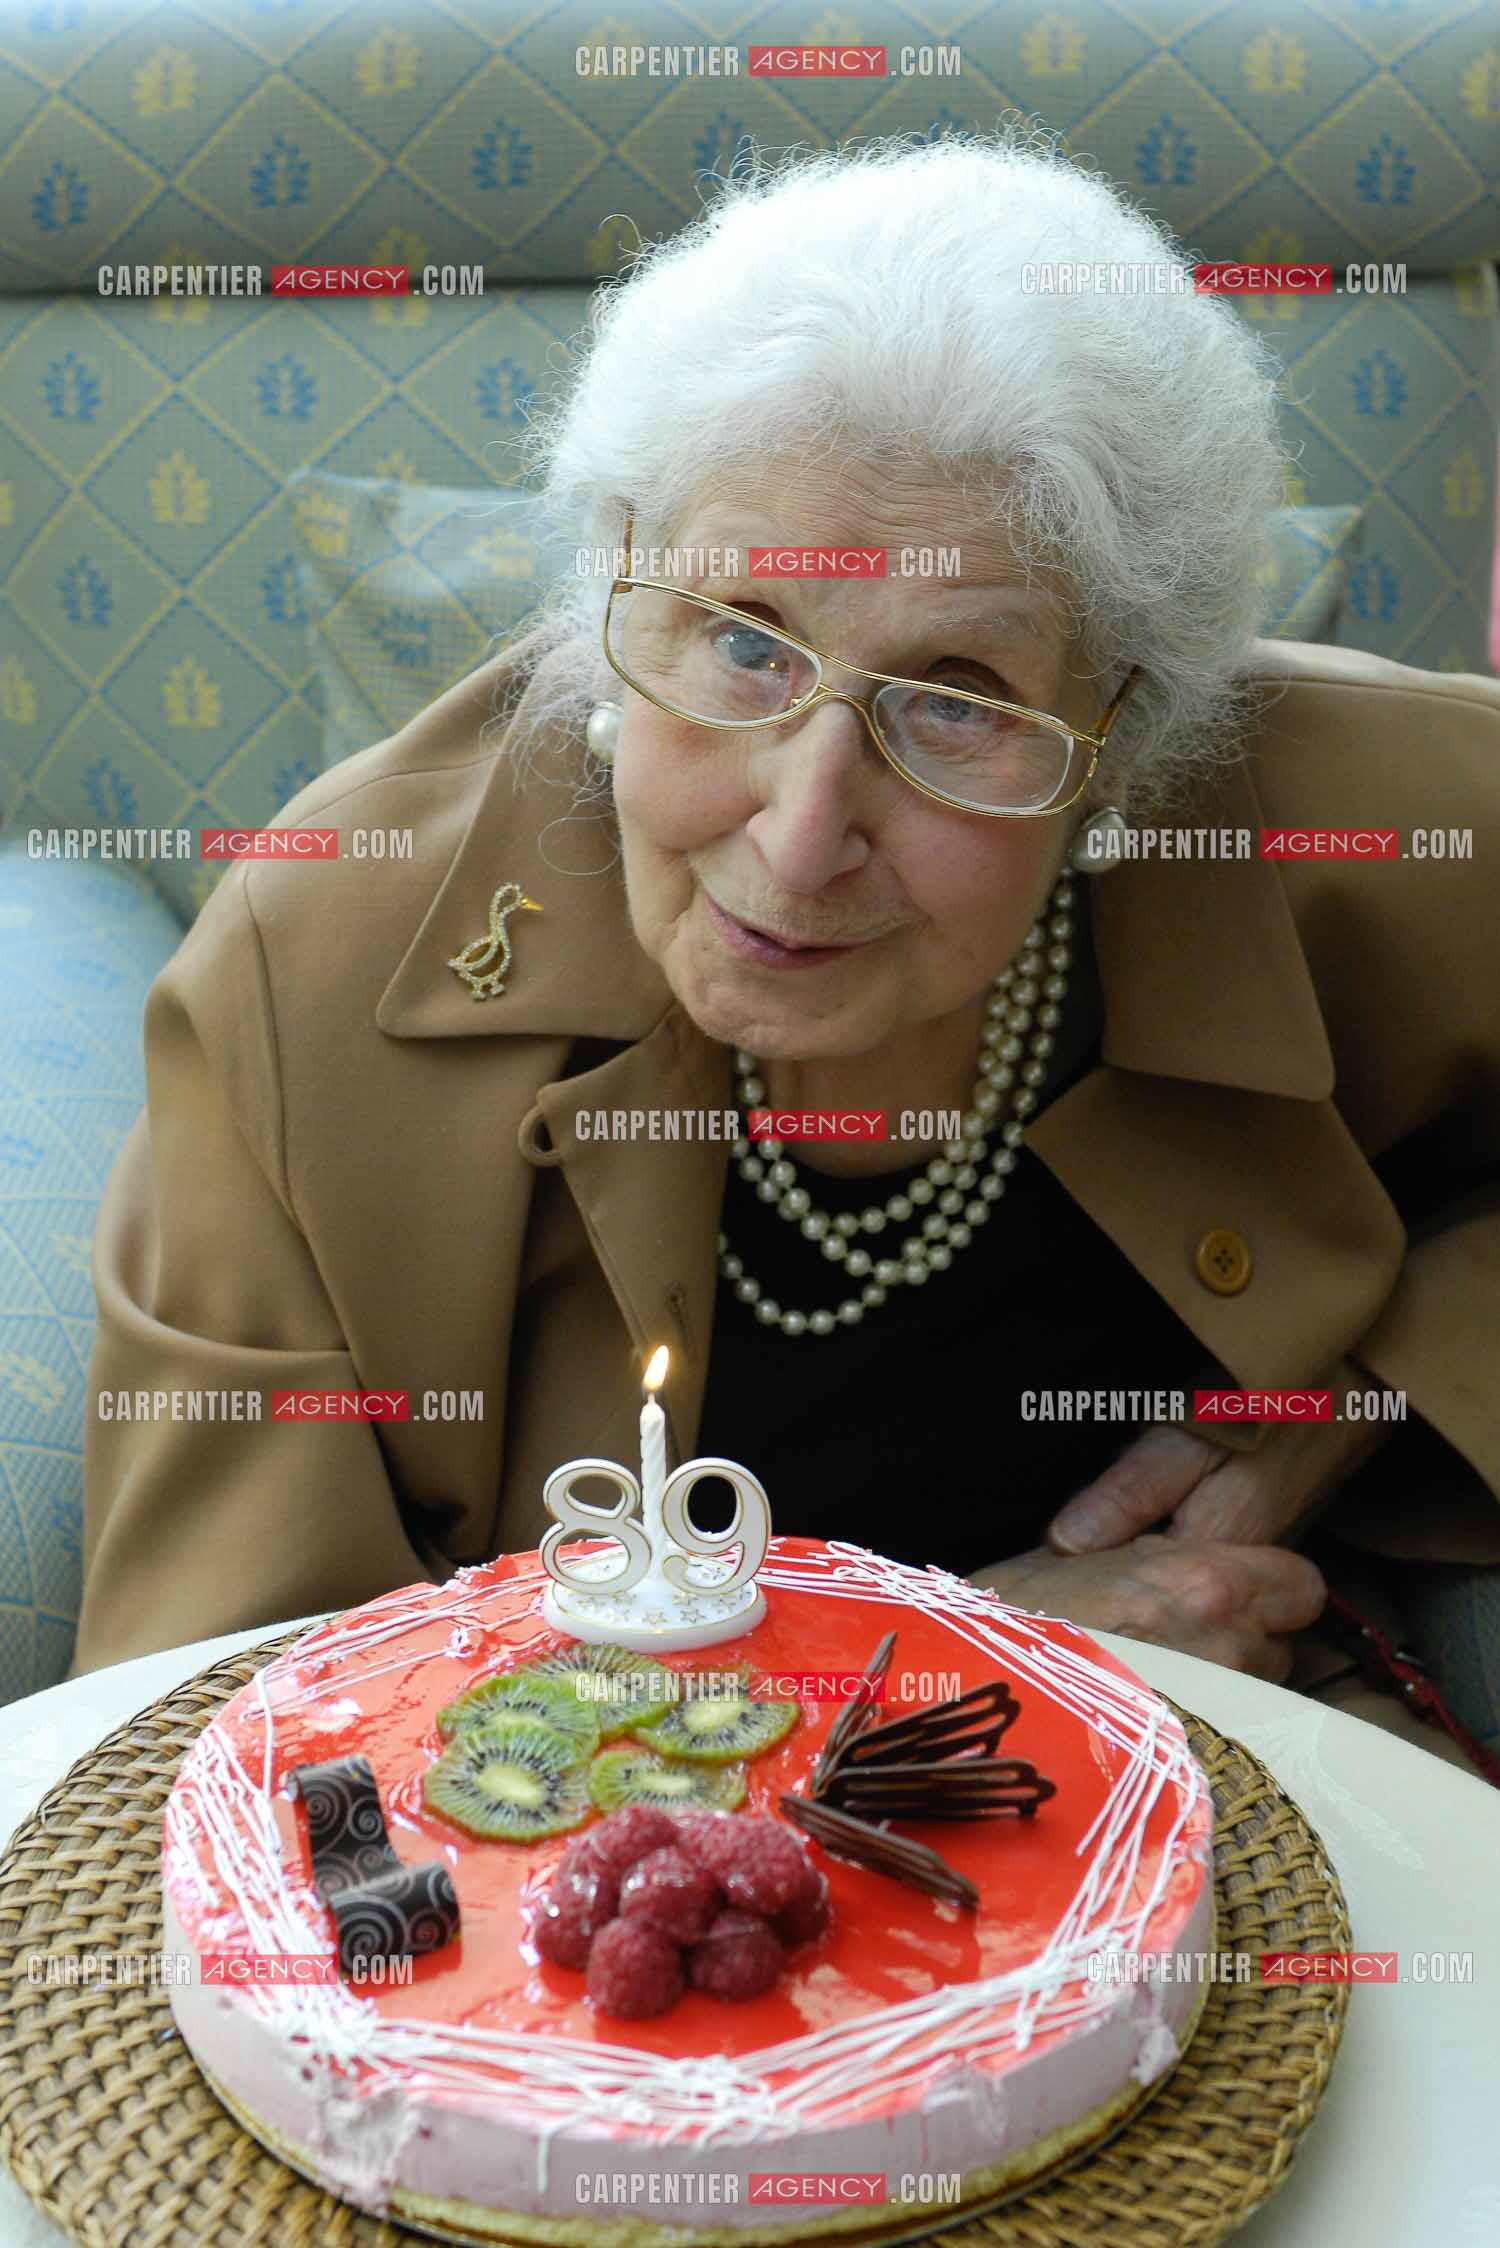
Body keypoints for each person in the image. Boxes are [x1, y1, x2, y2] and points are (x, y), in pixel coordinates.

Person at [71, 128, 1500, 1770]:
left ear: (1126, 729)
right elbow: (222, 1731)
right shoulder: (308, 979)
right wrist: (973, 1674)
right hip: (581, 1937)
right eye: (745, 642)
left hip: (1228, 1786)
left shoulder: (1383, 817)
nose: (801, 834)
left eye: (956, 697)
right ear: (617, 586)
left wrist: (1354, 1399)